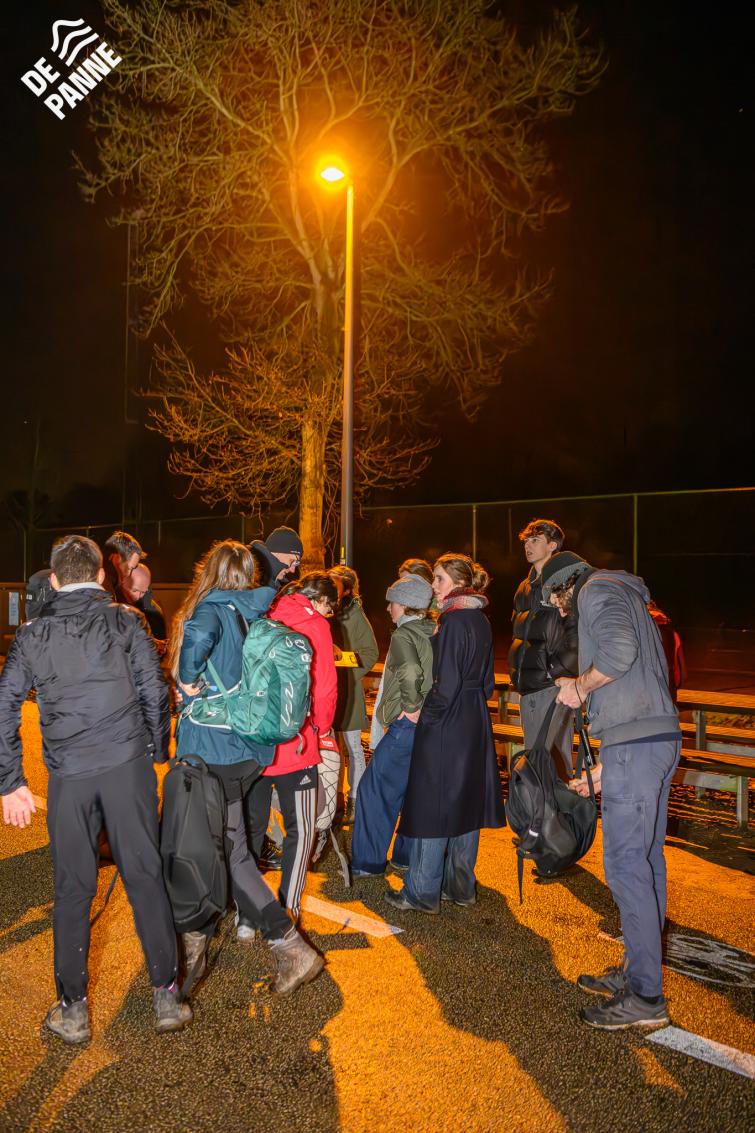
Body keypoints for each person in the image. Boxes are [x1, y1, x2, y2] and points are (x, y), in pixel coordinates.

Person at [0, 534, 190, 1043]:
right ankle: (166, 995)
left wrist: (11, 781)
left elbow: (5, 704)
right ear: (102, 575)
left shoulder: (34, 634)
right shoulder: (126, 621)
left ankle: (73, 1010)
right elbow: (154, 690)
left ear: (54, 578)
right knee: (145, 876)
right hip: (126, 768)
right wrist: (156, 751)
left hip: (70, 777)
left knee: (72, 890)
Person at [172, 540, 324, 995]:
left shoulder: (212, 609)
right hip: (246, 750)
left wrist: (187, 681)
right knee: (230, 850)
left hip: (211, 751)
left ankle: (275, 945)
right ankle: (264, 945)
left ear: (211, 571)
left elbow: (194, 651)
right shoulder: (256, 613)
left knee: (202, 849)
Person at [546, 552, 682, 1031]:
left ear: (566, 584)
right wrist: (607, 766)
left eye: (555, 600)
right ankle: (636, 970)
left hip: (638, 748)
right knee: (646, 861)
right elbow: (639, 675)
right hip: (650, 739)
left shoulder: (596, 590)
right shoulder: (627, 594)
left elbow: (618, 653)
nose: (560, 610)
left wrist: (580, 686)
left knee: (626, 864)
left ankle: (645, 996)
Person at [386, 553, 505, 914]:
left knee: (433, 801)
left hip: (447, 720)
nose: (433, 586)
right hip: (474, 719)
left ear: (457, 581)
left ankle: (422, 890)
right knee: (466, 800)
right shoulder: (480, 619)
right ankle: (460, 886)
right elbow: (487, 683)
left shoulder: (453, 620)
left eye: (438, 578)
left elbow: (447, 684)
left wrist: (428, 717)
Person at [246, 573, 339, 919]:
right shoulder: (317, 626)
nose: (329, 615)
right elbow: (325, 688)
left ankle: (246, 915)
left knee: (252, 828)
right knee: (300, 830)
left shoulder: (263, 615)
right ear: (319, 601)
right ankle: (289, 910)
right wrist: (321, 727)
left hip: (257, 745)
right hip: (297, 745)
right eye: (330, 608)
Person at [351, 574, 435, 877]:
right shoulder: (431, 630)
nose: (388, 608)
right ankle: (404, 856)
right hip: (426, 726)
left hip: (405, 725)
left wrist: (410, 707)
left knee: (374, 791)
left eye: (392, 602)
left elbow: (410, 671)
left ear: (405, 603)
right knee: (412, 792)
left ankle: (368, 862)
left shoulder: (404, 635)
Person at [508, 519, 578, 781]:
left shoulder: (564, 583)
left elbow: (576, 634)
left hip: (552, 684)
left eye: (535, 540)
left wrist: (554, 671)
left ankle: (559, 806)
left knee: (551, 760)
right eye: (526, 540)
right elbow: (519, 634)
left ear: (552, 545)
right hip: (529, 685)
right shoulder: (524, 586)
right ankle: (542, 806)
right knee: (536, 759)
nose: (528, 545)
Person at [328, 565, 379, 824]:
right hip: (327, 691)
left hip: (347, 692)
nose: (331, 588)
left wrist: (343, 665)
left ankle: (354, 801)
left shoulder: (355, 615)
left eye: (336, 584)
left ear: (347, 589)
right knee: (330, 749)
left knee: (353, 747)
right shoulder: (326, 611)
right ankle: (332, 800)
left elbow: (370, 652)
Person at [647, 599, 687, 701]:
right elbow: (683, 671)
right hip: (669, 685)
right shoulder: (673, 634)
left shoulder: (642, 633)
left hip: (649, 687)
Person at [121, 562, 168, 644]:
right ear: (124, 581)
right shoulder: (111, 600)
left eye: (143, 592)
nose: (138, 596)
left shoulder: (154, 613)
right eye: (135, 590)